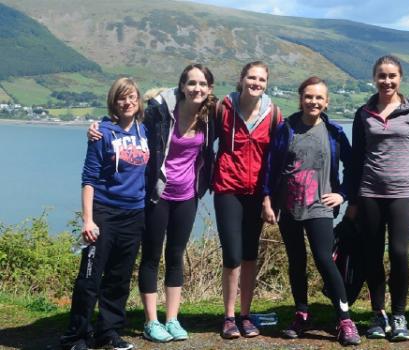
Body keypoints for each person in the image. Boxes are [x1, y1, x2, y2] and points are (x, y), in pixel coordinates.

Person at [87, 64, 217, 343]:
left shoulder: (211, 116)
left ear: (209, 89)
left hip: (187, 196)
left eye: (202, 84)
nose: (197, 88)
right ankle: (151, 321)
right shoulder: (159, 112)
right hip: (157, 195)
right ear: (182, 86)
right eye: (191, 83)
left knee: (176, 256)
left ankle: (172, 319)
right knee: (151, 256)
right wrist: (99, 124)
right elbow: (127, 120)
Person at [261, 77, 361, 346]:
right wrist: (267, 200)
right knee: (296, 261)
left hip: (320, 207)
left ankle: (344, 320)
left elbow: (353, 168)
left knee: (324, 259)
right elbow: (270, 168)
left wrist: (343, 194)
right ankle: (302, 313)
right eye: (308, 96)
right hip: (289, 208)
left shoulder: (335, 132)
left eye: (319, 98)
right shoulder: (285, 129)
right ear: (300, 98)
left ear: (326, 102)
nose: (313, 102)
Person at [61, 77, 150, 350]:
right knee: (89, 277)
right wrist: (88, 219)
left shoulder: (144, 131)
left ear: (138, 101)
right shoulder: (102, 132)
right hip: (103, 213)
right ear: (114, 101)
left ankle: (108, 333)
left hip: (134, 214)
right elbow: (89, 178)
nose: (127, 102)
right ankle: (77, 336)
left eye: (132, 97)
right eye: (122, 97)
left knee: (119, 278)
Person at [347, 55, 409, 342]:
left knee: (399, 253)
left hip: (402, 194)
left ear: (400, 78)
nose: (387, 81)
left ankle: (399, 314)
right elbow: (356, 159)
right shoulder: (363, 113)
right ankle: (378, 314)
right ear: (374, 78)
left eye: (392, 76)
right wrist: (352, 200)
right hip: (369, 193)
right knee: (372, 255)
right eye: (382, 76)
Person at [213, 61, 282, 339]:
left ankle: (245, 314)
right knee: (232, 255)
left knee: (250, 255)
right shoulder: (222, 108)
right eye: (251, 78)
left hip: (256, 193)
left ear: (266, 83)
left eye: (261, 79)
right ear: (241, 80)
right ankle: (229, 317)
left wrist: (270, 199)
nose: (256, 83)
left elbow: (277, 159)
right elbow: (187, 115)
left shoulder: (274, 114)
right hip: (227, 188)